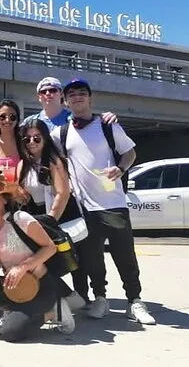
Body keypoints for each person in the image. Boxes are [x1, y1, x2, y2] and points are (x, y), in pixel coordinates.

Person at [51, 78, 156, 325]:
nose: (77, 97)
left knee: (125, 255)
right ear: (65, 102)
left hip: (114, 203)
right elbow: (53, 161)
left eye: (82, 92)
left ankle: (134, 300)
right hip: (85, 208)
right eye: (72, 94)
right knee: (92, 259)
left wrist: (121, 168)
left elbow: (130, 152)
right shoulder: (61, 133)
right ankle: (100, 298)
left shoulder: (108, 125)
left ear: (91, 98)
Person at [0, 175, 73, 342]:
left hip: (41, 286)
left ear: (5, 199)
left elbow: (50, 247)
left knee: (10, 333)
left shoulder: (20, 219)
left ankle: (54, 311)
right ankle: (15, 311)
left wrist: (23, 267)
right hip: (15, 288)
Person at [18, 119, 88, 310]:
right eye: (27, 139)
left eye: (36, 138)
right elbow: (24, 196)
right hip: (39, 216)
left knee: (70, 260)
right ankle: (64, 298)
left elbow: (62, 193)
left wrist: (50, 222)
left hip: (60, 215)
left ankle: (81, 297)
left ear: (45, 138)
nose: (31, 142)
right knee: (44, 262)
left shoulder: (54, 161)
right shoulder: (24, 164)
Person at [22, 76, 117, 131]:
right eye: (43, 92)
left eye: (52, 90)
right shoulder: (29, 122)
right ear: (39, 97)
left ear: (61, 94)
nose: (48, 94)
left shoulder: (74, 118)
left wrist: (106, 117)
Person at [0, 99, 24, 176]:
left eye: (12, 117)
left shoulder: (23, 141)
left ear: (17, 120)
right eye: (2, 117)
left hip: (20, 183)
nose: (7, 120)